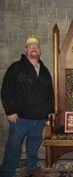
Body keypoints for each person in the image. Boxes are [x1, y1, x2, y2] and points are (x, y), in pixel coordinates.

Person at [0, 35, 55, 177]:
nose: (34, 48)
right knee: (14, 146)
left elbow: (50, 92)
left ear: (40, 51)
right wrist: (10, 111)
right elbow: (6, 90)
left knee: (34, 144)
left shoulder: (44, 70)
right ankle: (7, 172)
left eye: (36, 46)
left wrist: (51, 110)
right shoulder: (16, 67)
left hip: (39, 118)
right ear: (25, 50)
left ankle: (32, 166)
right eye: (30, 47)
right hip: (20, 118)